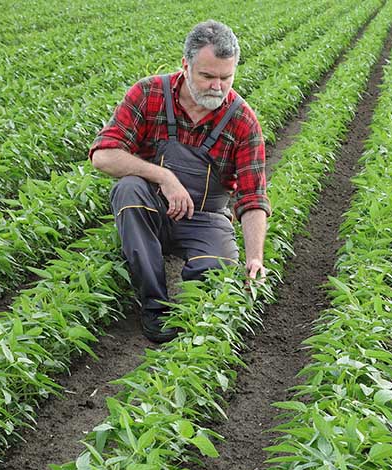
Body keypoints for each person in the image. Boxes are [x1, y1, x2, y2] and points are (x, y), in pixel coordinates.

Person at [89, 20, 269, 342]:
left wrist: (255, 257)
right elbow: (103, 155)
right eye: (208, 76)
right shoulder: (149, 93)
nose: (217, 87)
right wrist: (162, 176)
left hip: (205, 218)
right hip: (154, 206)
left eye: (226, 77)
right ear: (185, 66)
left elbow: (252, 196)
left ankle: (191, 309)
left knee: (215, 272)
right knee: (128, 190)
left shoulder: (242, 121)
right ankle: (154, 305)